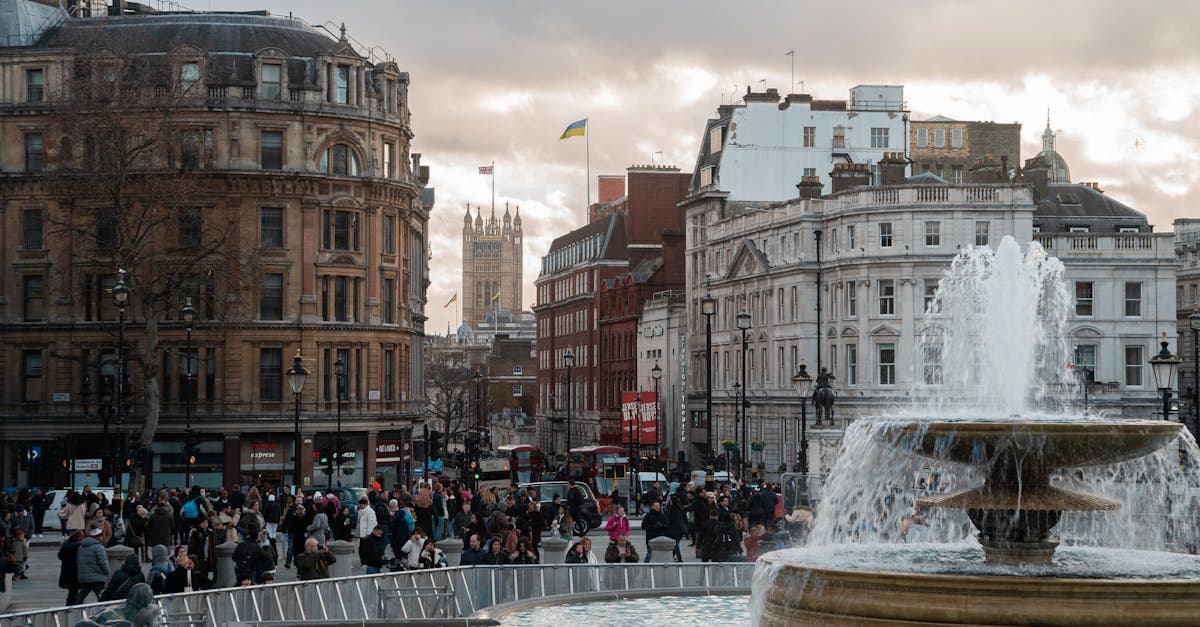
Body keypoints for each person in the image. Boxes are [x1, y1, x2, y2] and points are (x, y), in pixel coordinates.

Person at [75, 528, 110, 604]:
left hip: (84, 577)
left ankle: (75, 610)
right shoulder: (99, 547)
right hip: (97, 578)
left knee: (81, 596)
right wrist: (107, 572)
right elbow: (103, 562)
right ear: (98, 537)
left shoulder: (81, 547)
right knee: (102, 598)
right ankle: (103, 612)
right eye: (101, 536)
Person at [58, 530, 83, 605]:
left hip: (66, 569)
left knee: (72, 590)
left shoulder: (65, 545)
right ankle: (75, 603)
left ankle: (70, 602)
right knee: (75, 589)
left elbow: (60, 556)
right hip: (75, 569)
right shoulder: (79, 546)